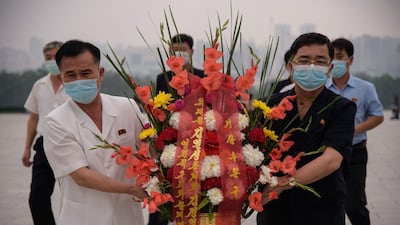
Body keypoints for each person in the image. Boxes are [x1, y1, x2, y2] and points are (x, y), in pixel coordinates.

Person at [43, 40, 148, 225]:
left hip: (127, 215)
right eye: (70, 75)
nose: (79, 80)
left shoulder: (128, 107)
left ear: (100, 74)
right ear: (61, 79)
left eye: (85, 73)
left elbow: (150, 148)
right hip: (84, 217)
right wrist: (131, 189)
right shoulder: (55, 121)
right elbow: (81, 176)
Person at [256, 32, 356, 225]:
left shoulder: (341, 107)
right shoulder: (269, 106)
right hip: (276, 209)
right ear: (291, 67)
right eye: (304, 60)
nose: (311, 66)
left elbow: (331, 161)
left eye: (319, 61)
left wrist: (282, 185)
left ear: (329, 69)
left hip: (322, 206)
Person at [326, 38, 384, 225]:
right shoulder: (322, 88)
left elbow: (378, 115)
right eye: (332, 57)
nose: (336, 61)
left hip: (355, 152)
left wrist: (353, 130)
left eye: (340, 56)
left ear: (350, 59)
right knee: (331, 202)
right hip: (327, 153)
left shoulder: (365, 88)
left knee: (354, 203)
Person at [21, 40, 67, 225]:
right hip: (44, 145)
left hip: (69, 144)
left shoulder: (74, 84)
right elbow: (33, 117)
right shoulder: (39, 85)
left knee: (75, 196)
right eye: (48, 58)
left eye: (55, 57)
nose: (52, 61)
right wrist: (26, 149)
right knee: (37, 197)